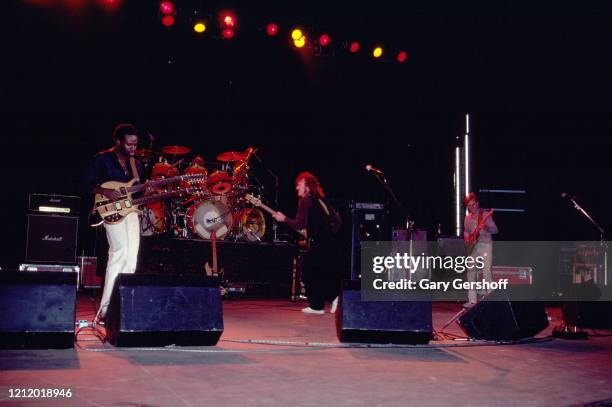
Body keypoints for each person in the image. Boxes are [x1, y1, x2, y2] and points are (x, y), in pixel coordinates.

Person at [84, 123, 143, 323]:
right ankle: (105, 309)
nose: (133, 148)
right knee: (119, 253)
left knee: (131, 259)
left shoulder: (137, 165)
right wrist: (105, 190)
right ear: (118, 142)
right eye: (129, 144)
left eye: (135, 144)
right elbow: (86, 183)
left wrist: (150, 191)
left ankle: (122, 305)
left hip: (131, 211)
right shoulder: (102, 160)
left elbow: (137, 191)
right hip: (111, 211)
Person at [273, 172, 341, 314]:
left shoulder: (305, 200)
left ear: (307, 187)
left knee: (310, 273)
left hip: (318, 241)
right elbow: (337, 221)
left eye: (299, 184)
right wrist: (327, 232)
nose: (297, 187)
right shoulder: (320, 200)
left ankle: (330, 299)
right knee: (319, 272)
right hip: (328, 242)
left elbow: (299, 224)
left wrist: (284, 218)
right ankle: (319, 305)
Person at [463, 192, 498, 307]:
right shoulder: (467, 218)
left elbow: (495, 230)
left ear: (477, 204)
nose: (471, 207)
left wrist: (486, 227)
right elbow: (466, 232)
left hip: (485, 245)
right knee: (470, 271)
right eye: (469, 205)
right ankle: (472, 300)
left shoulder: (485, 214)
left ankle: (491, 299)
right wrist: (467, 237)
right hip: (474, 246)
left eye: (473, 204)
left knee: (486, 271)